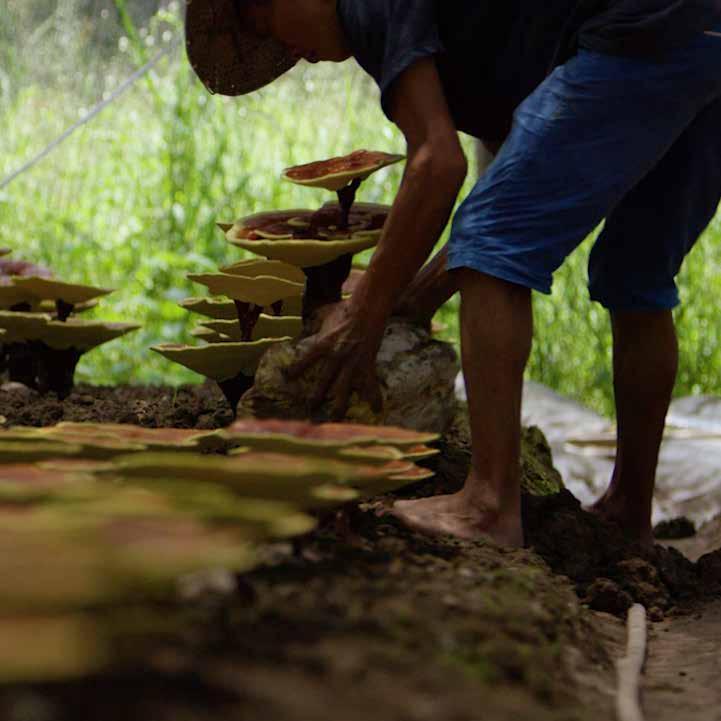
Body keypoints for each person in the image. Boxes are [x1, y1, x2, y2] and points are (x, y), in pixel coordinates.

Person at [186, 0, 721, 548]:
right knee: (635, 275)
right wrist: (412, 295)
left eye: (264, 23)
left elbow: (439, 165)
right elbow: (520, 162)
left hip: (645, 28)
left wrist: (364, 310)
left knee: (495, 238)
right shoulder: (475, 31)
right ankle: (630, 513)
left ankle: (489, 505)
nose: (291, 55)